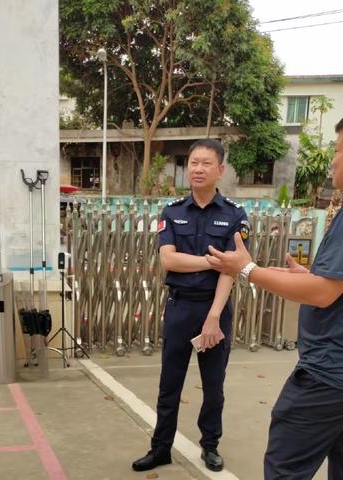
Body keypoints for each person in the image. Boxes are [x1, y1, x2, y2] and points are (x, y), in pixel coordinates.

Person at [206, 119, 343, 479]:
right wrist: (298, 276)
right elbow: (329, 284)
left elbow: (324, 293)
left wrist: (248, 269)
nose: (332, 160)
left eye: (339, 150)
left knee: (286, 468)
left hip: (327, 376)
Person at [132, 139, 249, 473]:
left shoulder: (235, 216)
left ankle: (210, 446)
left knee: (214, 387)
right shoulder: (172, 212)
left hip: (215, 310)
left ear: (220, 170)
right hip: (179, 308)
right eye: (193, 163)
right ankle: (160, 448)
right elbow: (169, 260)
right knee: (170, 383)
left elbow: (233, 269)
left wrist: (214, 317)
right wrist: (212, 262)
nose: (197, 169)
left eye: (206, 163)